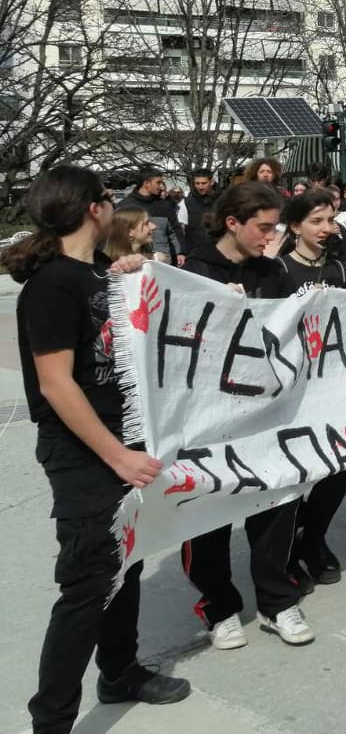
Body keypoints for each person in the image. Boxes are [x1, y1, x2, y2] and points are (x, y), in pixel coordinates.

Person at [5, 166, 192, 733]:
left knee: (125, 564)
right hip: (85, 453)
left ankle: (119, 670)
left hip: (122, 440)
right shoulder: (53, 284)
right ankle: (52, 721)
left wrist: (134, 273)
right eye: (108, 199)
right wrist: (116, 455)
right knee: (86, 582)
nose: (114, 207)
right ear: (93, 208)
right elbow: (56, 383)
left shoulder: (95, 276)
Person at [180, 182, 313, 649]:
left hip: (264, 416)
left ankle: (277, 601)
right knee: (208, 515)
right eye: (263, 227)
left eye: (274, 226)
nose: (269, 236)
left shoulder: (271, 272)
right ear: (232, 223)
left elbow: (289, 331)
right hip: (208, 422)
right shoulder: (194, 271)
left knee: (276, 505)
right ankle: (218, 607)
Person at [266, 190, 346, 586]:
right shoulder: (280, 270)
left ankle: (313, 536)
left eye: (331, 219)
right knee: (294, 471)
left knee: (342, 463)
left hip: (335, 386)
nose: (326, 228)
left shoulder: (341, 270)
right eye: (316, 221)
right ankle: (284, 549)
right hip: (290, 390)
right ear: (295, 227)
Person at [117, 167, 182, 265]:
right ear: (146, 183)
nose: (161, 186)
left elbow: (175, 231)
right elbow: (116, 236)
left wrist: (180, 252)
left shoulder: (164, 205)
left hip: (164, 262)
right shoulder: (125, 206)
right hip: (134, 262)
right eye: (158, 182)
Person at [178, 168, 216, 253]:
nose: (200, 187)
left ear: (212, 182)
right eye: (197, 183)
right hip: (194, 250)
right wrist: (182, 252)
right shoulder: (187, 202)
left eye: (204, 183)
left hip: (219, 248)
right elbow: (181, 229)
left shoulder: (223, 200)